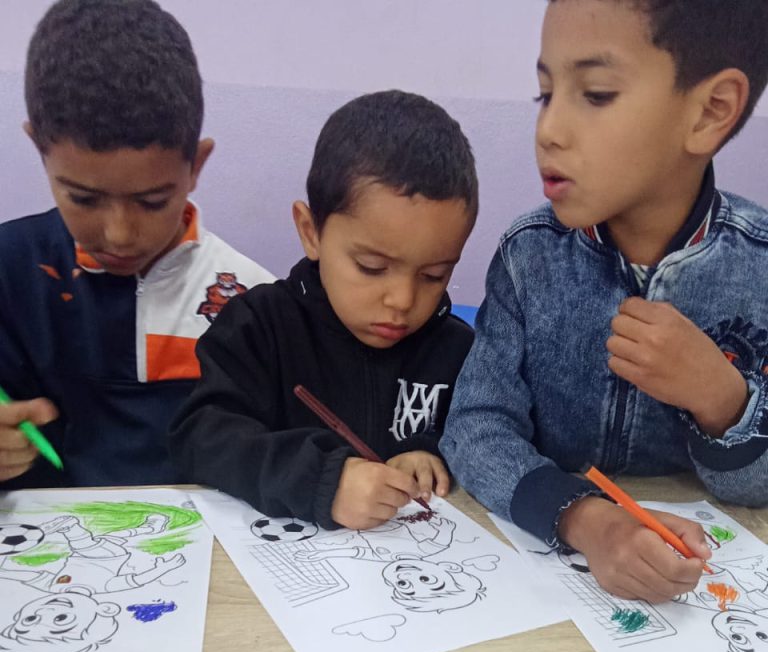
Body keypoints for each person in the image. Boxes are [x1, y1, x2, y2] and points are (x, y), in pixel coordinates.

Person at [441, 0, 768, 603]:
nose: (548, 130)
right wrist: (584, 518)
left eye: (595, 94)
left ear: (710, 111)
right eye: (545, 94)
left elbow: (757, 488)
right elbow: (475, 428)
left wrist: (722, 399)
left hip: (712, 596)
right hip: (552, 586)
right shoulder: (529, 256)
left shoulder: (760, 265)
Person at [170, 90, 477, 530]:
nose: (403, 300)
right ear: (310, 231)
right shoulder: (259, 326)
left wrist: (432, 450)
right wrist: (321, 481)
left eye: (434, 275)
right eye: (371, 267)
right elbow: (201, 439)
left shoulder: (458, 349)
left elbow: (487, 429)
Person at [0, 0, 273, 489]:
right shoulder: (8, 270)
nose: (120, 235)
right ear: (39, 148)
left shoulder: (251, 298)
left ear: (196, 166)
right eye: (83, 198)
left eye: (152, 201)